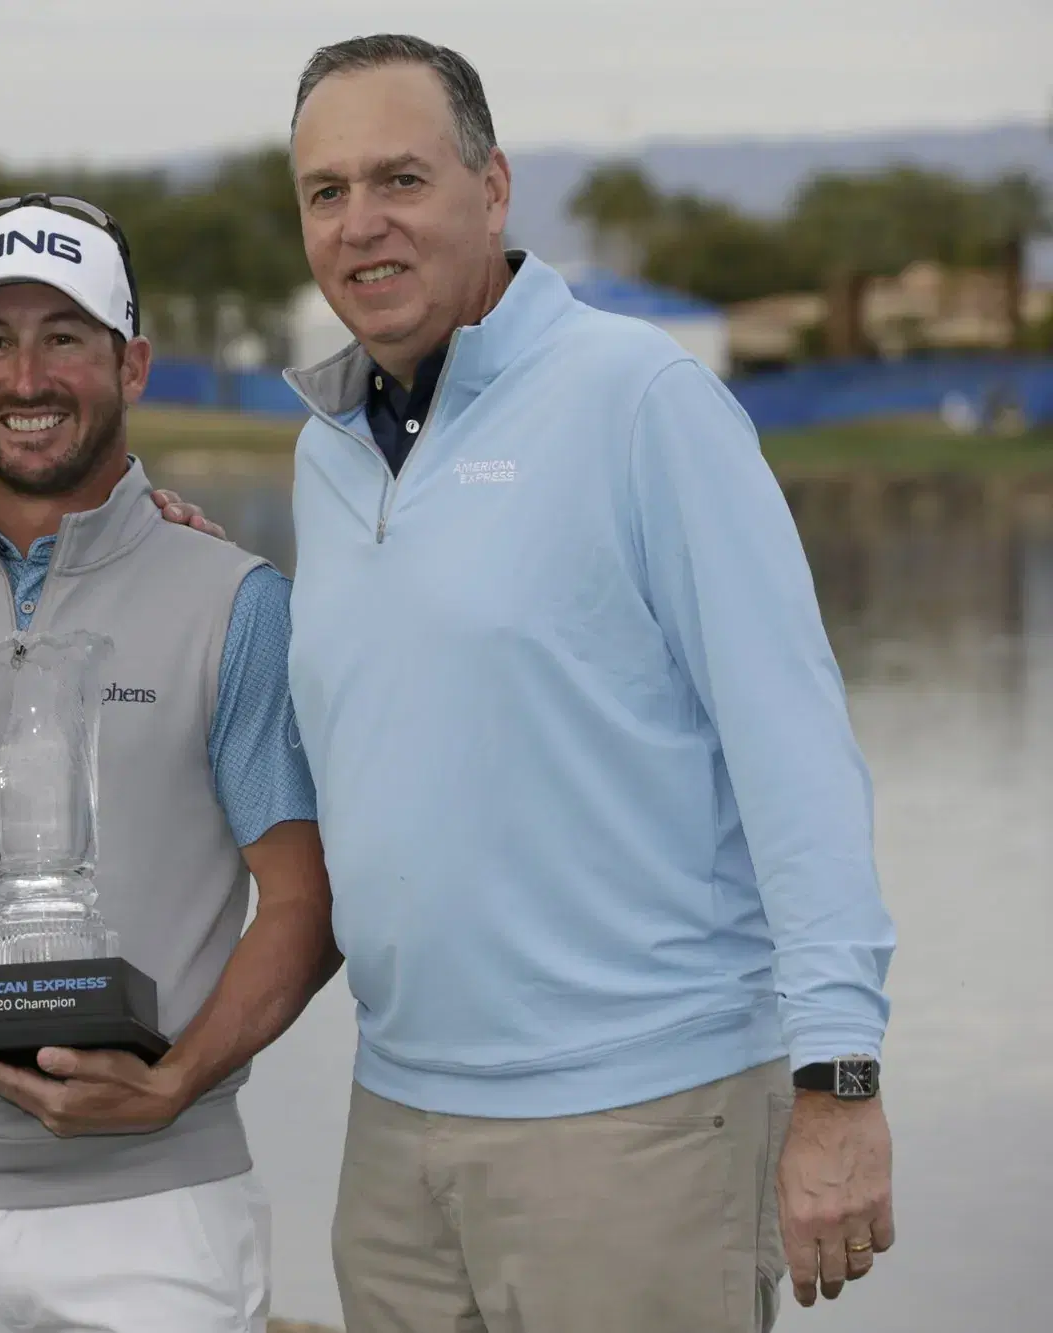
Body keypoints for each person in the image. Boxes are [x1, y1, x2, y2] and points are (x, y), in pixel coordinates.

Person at [279, 34, 898, 1333]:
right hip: (393, 1128)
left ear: (492, 188)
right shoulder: (326, 451)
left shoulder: (640, 400)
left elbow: (796, 749)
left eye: (401, 178)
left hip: (636, 1127)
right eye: (326, 191)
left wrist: (839, 1077)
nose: (361, 223)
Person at [0, 194, 340, 1333]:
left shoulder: (235, 602)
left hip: (156, 1205)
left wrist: (174, 1078)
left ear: (131, 362)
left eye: (65, 337)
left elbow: (306, 897)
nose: (27, 376)